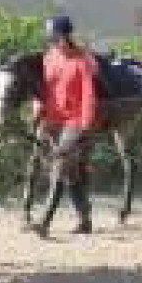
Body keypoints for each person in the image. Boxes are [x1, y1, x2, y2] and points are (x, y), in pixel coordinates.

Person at [29, 13, 99, 237]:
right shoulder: (49, 57)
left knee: (59, 168)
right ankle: (85, 220)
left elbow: (89, 95)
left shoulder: (81, 61)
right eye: (50, 37)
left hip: (74, 122)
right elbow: (43, 88)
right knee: (71, 175)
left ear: (64, 35)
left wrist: (85, 127)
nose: (51, 40)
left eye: (54, 36)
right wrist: (37, 110)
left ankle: (44, 221)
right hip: (52, 121)